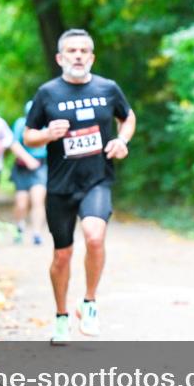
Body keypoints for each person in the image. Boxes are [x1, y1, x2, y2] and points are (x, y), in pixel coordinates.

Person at [23, 29, 136, 345]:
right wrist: (47, 134)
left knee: (95, 237)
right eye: (71, 51)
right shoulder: (47, 93)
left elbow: (128, 117)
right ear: (60, 58)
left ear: (92, 57)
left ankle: (89, 303)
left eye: (84, 51)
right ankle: (61, 316)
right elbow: (28, 136)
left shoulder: (107, 88)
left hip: (97, 180)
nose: (78, 56)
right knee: (62, 255)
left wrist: (122, 140)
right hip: (60, 186)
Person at [11, 100, 48, 245]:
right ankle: (19, 226)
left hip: (40, 166)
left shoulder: (46, 125)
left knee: (38, 200)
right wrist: (28, 160)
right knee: (21, 202)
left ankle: (37, 233)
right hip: (22, 167)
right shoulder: (21, 124)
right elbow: (14, 144)